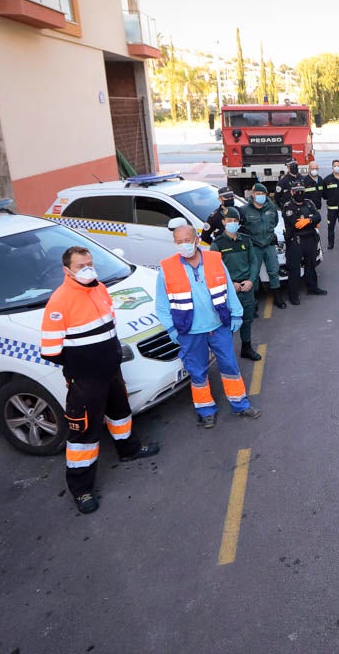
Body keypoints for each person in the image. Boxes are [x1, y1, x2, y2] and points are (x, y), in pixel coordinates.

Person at [41, 246, 159, 513]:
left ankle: (129, 450)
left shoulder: (99, 289)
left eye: (90, 263)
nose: (88, 269)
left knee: (120, 413)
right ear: (67, 270)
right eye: (81, 266)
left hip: (111, 371)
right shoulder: (59, 301)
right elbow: (50, 349)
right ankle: (81, 490)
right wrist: (82, 369)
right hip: (85, 381)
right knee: (83, 434)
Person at [155, 219, 260, 429]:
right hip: (189, 331)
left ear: (196, 239)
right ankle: (206, 410)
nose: (183, 244)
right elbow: (162, 306)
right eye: (178, 241)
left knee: (230, 366)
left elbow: (229, 288)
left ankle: (240, 404)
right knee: (198, 372)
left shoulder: (214, 260)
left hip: (218, 327)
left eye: (187, 240)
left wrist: (237, 314)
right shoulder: (166, 269)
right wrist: (172, 329)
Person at [212, 206, 263, 361]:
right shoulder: (218, 244)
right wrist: (229, 284)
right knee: (227, 322)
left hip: (246, 287)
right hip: (229, 290)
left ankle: (246, 348)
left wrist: (251, 281)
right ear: (223, 222)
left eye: (235, 221)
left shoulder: (246, 240)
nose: (232, 223)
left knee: (247, 319)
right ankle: (226, 354)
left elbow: (253, 261)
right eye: (229, 221)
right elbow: (215, 270)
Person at [241, 183, 286, 310]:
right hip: (254, 246)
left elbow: (275, 222)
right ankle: (253, 303)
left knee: (274, 271)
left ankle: (278, 298)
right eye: (258, 194)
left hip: (268, 244)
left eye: (263, 194)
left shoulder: (271, 208)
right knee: (253, 274)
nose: (260, 196)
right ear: (253, 194)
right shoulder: (245, 210)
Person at [281, 182, 326, 304]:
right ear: (292, 192)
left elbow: (318, 217)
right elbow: (295, 224)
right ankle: (293, 295)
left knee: (310, 265)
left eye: (302, 190)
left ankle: (312, 288)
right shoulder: (288, 206)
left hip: (310, 239)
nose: (299, 193)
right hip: (296, 240)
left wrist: (308, 220)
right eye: (297, 191)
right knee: (294, 268)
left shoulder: (309, 203)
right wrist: (311, 221)